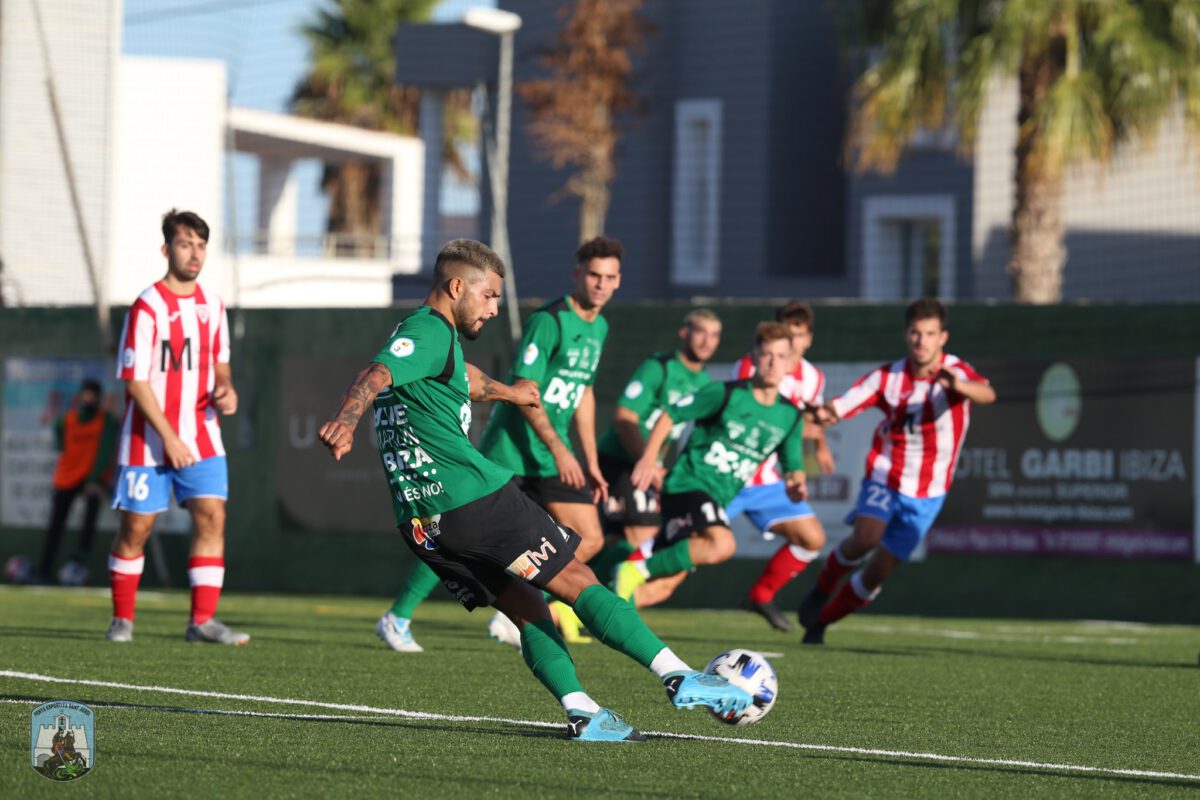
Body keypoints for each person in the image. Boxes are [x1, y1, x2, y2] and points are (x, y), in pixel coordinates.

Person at [320, 239, 751, 742]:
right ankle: (678, 674)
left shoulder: (436, 339)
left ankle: (582, 712)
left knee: (529, 611)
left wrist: (512, 393)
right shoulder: (428, 329)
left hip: (422, 522)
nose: (495, 308)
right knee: (576, 576)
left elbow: (467, 380)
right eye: (489, 296)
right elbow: (374, 373)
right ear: (456, 286)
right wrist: (345, 420)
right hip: (473, 497)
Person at [378, 236, 623, 651]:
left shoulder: (599, 326)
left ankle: (518, 612)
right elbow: (527, 390)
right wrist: (562, 451)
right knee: (453, 532)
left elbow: (583, 393)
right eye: (594, 275)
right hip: (514, 450)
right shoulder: (550, 321)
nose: (601, 284)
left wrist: (590, 459)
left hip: (552, 456)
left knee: (591, 536)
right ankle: (399, 615)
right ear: (577, 275)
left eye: (610, 277)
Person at [798, 298, 995, 644]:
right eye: (916, 333)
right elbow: (844, 405)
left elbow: (987, 394)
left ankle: (821, 623)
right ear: (906, 335)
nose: (922, 341)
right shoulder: (887, 376)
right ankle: (822, 588)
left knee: (878, 571)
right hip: (886, 473)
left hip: (929, 490)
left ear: (942, 337)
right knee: (866, 538)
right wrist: (824, 414)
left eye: (930, 334)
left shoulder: (956, 372)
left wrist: (958, 387)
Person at [104, 209, 246, 645]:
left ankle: (201, 621)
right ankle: (122, 620)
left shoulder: (213, 306)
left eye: (201, 245)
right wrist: (168, 437)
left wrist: (227, 389)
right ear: (167, 249)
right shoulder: (147, 307)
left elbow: (220, 365)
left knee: (212, 517)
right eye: (185, 244)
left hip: (202, 435)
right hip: (148, 441)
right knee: (137, 529)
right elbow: (135, 380)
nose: (194, 253)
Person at [618, 322, 808, 608]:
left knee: (664, 586)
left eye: (781, 356)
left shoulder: (790, 415)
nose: (772, 362)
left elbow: (793, 463)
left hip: (717, 498)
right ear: (753, 357)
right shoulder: (725, 393)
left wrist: (796, 482)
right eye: (766, 354)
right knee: (722, 545)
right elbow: (670, 414)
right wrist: (648, 458)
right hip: (687, 485)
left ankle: (579, 612)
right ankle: (633, 570)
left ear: (791, 363)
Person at [589, 309, 722, 589]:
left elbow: (669, 437)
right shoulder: (659, 366)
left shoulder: (704, 382)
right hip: (618, 460)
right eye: (701, 332)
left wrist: (657, 470)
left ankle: (580, 602)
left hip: (646, 468)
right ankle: (577, 600)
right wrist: (648, 465)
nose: (707, 341)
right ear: (684, 333)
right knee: (643, 535)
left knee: (617, 542)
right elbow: (625, 418)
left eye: (714, 335)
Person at [728, 301, 834, 632]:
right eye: (787, 334)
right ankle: (612, 593)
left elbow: (808, 415)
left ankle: (760, 594)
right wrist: (807, 427)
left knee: (812, 538)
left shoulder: (814, 377)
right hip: (731, 476)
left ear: (808, 339)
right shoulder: (751, 366)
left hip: (768, 481)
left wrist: (820, 444)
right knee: (684, 549)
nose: (793, 342)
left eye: (799, 335)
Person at [35, 379, 118, 585]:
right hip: (66, 476)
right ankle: (43, 570)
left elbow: (106, 451)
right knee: (56, 524)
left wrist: (95, 479)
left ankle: (77, 567)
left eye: (93, 395)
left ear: (99, 398)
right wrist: (63, 449)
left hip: (92, 480)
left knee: (88, 525)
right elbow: (57, 429)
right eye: (86, 394)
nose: (89, 399)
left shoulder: (105, 420)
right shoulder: (69, 419)